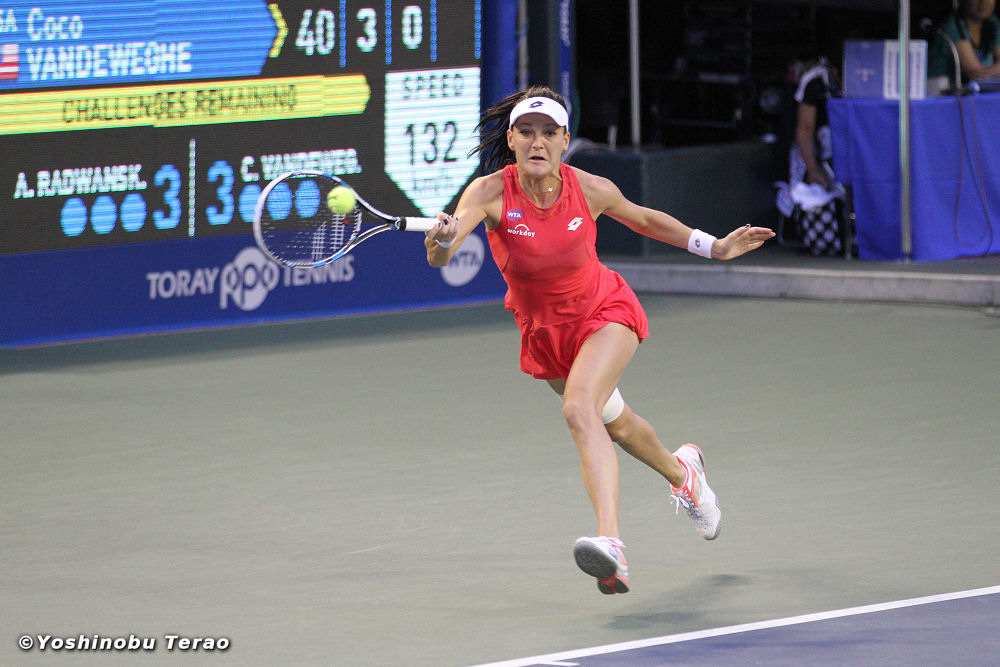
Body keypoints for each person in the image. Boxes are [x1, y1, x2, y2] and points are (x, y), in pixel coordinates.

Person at [424, 86, 774, 595]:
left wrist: (714, 247)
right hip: (547, 336)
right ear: (512, 139)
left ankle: (611, 544)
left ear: (565, 141)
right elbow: (443, 253)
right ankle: (685, 475)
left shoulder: (590, 189)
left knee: (579, 408)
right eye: (527, 132)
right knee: (620, 427)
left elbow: (645, 219)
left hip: (604, 312)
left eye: (549, 133)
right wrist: (439, 240)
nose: (538, 142)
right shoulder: (488, 193)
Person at [928, 0, 1000, 92]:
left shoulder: (993, 22)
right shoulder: (952, 26)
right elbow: (976, 74)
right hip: (938, 92)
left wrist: (989, 73)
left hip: (969, 92)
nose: (984, 2)